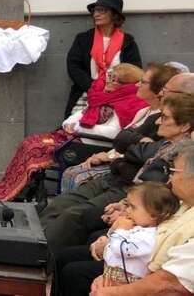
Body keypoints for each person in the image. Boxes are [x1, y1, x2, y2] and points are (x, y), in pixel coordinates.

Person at [41, 80, 194, 257]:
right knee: (59, 204)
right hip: (118, 179)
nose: (159, 121)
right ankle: (32, 242)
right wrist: (131, 149)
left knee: (74, 215)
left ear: (184, 126)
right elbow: (123, 141)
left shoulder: (182, 155)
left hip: (129, 192)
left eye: (165, 118)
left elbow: (154, 188)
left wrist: (125, 205)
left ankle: (39, 257)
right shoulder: (164, 141)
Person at [0, 63, 149, 201]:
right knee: (29, 142)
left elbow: (114, 133)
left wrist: (78, 128)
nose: (109, 81)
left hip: (90, 143)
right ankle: (13, 188)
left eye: (114, 80)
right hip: (75, 136)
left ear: (125, 84)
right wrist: (69, 124)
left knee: (34, 148)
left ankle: (15, 191)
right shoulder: (102, 96)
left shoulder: (128, 103)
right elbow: (80, 114)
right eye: (109, 77)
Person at [60, 140, 194, 296]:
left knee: (74, 272)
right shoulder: (185, 202)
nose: (170, 177)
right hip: (135, 262)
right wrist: (107, 272)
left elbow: (169, 282)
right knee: (68, 256)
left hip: (143, 275)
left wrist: (111, 291)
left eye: (174, 171)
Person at [61, 63, 181, 192]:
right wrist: (104, 155)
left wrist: (111, 155)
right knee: (71, 171)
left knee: (76, 176)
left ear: (158, 89)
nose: (136, 85)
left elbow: (137, 147)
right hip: (116, 159)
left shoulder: (159, 118)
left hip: (128, 172)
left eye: (143, 82)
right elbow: (121, 139)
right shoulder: (143, 111)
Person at [65, 0, 142, 118]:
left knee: (111, 127)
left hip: (117, 96)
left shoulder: (128, 42)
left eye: (102, 10)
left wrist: (114, 89)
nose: (96, 14)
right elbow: (73, 67)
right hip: (87, 93)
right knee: (75, 126)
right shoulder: (83, 39)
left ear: (114, 15)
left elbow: (135, 72)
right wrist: (94, 87)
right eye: (95, 11)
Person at [99, 182, 179, 286]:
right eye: (127, 205)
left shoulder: (150, 238)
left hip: (123, 282)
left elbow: (120, 250)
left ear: (154, 214)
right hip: (109, 273)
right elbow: (114, 242)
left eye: (132, 207)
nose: (127, 210)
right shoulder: (138, 226)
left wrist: (120, 229)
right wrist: (113, 229)